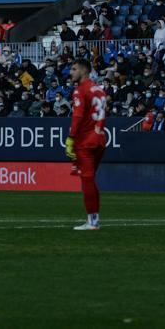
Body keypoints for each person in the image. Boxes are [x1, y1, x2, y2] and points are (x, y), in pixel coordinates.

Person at [66, 58, 107, 231]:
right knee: (90, 180)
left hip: (85, 141)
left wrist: (71, 138)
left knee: (87, 180)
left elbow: (78, 116)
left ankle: (92, 221)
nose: (71, 72)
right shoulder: (99, 90)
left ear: (84, 71)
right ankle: (94, 219)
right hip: (100, 139)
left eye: (74, 69)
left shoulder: (80, 90)